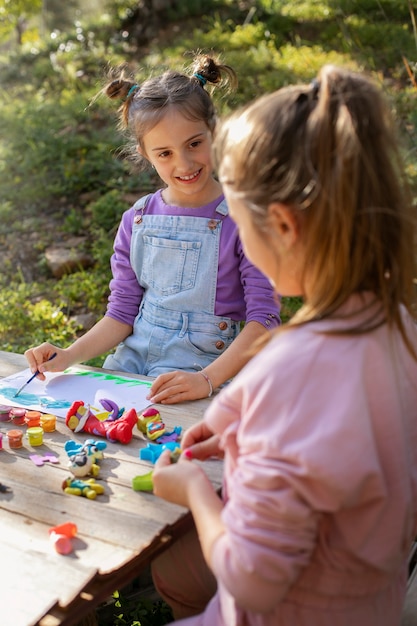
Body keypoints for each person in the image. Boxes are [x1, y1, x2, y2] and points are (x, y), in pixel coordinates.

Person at [150, 64, 417, 626]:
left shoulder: (291, 372)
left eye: (242, 223)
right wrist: (241, 434)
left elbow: (254, 582)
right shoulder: (398, 326)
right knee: (173, 575)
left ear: (285, 227)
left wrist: (195, 492)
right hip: (374, 605)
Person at [24, 54, 280, 405]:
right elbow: (121, 314)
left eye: (194, 143)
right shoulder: (137, 219)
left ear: (215, 131)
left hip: (206, 375)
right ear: (144, 152)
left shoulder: (243, 218)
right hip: (131, 368)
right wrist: (67, 356)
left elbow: (265, 320)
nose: (184, 163)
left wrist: (206, 381)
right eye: (165, 153)